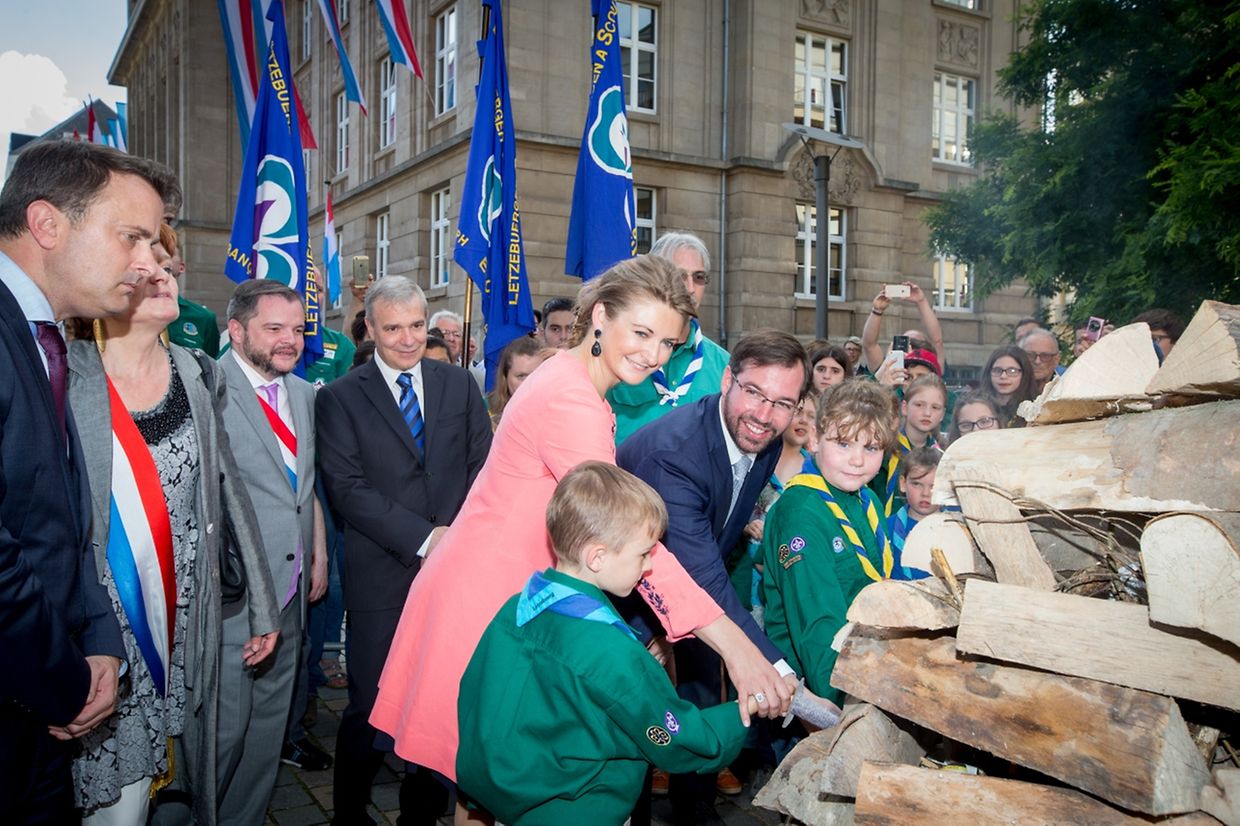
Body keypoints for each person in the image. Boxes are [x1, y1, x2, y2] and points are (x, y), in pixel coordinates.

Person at [370, 256, 792, 824]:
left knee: (488, 790)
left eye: (668, 342)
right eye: (640, 333)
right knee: (489, 784)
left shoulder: (574, 379)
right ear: (599, 316)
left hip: (512, 595)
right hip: (486, 600)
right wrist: (738, 651)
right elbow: (631, 544)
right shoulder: (571, 398)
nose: (653, 354)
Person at [67, 225, 280, 824]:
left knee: (178, 773)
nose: (166, 272)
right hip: (107, 619)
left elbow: (228, 492)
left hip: (188, 612)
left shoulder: (196, 370)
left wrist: (262, 605)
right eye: (145, 262)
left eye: (167, 262)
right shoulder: (67, 374)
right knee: (111, 795)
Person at [0, 139, 178, 823]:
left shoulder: (48, 338)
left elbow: (62, 521)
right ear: (48, 224)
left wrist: (98, 634)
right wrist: (65, 680)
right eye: (132, 236)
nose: (149, 261)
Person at [457, 462, 753, 825]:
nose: (648, 567)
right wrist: (744, 712)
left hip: (511, 800)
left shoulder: (515, 610)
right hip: (579, 808)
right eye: (644, 553)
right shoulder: (612, 650)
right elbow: (676, 738)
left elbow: (475, 698)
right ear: (597, 557)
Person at [316, 275, 492, 825]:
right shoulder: (341, 397)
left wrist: (459, 537)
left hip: (454, 573)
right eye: (394, 328)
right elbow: (347, 489)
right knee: (371, 704)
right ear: (370, 328)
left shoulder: (458, 385)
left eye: (417, 325)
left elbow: (482, 469)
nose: (409, 338)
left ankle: (421, 814)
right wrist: (424, 537)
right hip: (381, 573)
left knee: (441, 699)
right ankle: (350, 812)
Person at [616, 329, 809, 825]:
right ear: (727, 379)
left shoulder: (760, 438)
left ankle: (694, 809)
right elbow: (696, 571)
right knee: (635, 727)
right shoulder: (674, 454)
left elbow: (711, 545)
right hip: (624, 603)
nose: (764, 415)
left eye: (783, 403)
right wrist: (779, 672)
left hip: (695, 591)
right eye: (754, 392)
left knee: (701, 698)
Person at [216, 279, 329, 824]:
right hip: (235, 598)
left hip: (293, 595)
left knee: (267, 731)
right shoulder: (207, 389)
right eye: (275, 329)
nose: (291, 341)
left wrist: (319, 552)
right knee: (223, 734)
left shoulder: (305, 395)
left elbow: (303, 492)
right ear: (236, 331)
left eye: (298, 329)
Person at [760, 379, 913, 704]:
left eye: (871, 448)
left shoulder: (866, 499)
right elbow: (817, 626)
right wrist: (843, 703)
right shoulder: (801, 511)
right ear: (814, 439)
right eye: (843, 444)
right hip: (821, 692)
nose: (857, 460)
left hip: (868, 666)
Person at [607, 232, 731, 444]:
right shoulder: (621, 351)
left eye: (699, 277)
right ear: (653, 278)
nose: (690, 288)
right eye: (680, 276)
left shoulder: (724, 365)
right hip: (622, 475)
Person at [733, 392, 818, 627]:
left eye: (811, 416)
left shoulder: (816, 472)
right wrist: (744, 526)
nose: (803, 421)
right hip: (747, 572)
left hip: (790, 572)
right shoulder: (754, 460)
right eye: (798, 413)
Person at [860, 282, 946, 375]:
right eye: (905, 342)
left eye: (916, 344)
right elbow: (869, 345)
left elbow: (937, 341)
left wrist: (921, 301)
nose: (910, 347)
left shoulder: (931, 370)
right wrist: (877, 310)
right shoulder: (887, 371)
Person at [161, 231, 221, 357]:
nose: (162, 259)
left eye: (170, 254)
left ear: (181, 267)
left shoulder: (204, 318)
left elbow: (210, 369)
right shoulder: (133, 312)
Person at [887, 446, 943, 562]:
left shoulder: (956, 530)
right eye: (917, 484)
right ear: (903, 483)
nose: (925, 493)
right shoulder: (887, 528)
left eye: (935, 486)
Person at [487, 335, 555, 429]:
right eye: (521, 376)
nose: (529, 383)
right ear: (505, 377)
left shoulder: (559, 415)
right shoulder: (484, 413)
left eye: (536, 375)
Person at [981, 345, 1037, 426]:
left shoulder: (1036, 409)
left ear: (1024, 374)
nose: (1003, 376)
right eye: (997, 370)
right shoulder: (978, 407)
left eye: (1012, 371)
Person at [1019, 328, 1063, 394]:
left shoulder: (1066, 389)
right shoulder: (1009, 390)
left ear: (1057, 359)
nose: (1037, 361)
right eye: (1030, 355)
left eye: (1045, 356)